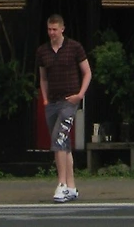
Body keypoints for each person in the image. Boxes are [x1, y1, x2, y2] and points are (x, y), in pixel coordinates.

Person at [37, 14, 91, 204]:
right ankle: (71, 186)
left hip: (69, 100)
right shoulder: (42, 51)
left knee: (58, 138)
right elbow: (43, 77)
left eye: (55, 29)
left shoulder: (74, 47)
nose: (52, 33)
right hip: (52, 101)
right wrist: (45, 99)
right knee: (63, 143)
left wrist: (80, 94)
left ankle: (61, 184)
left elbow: (87, 72)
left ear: (62, 29)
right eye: (49, 29)